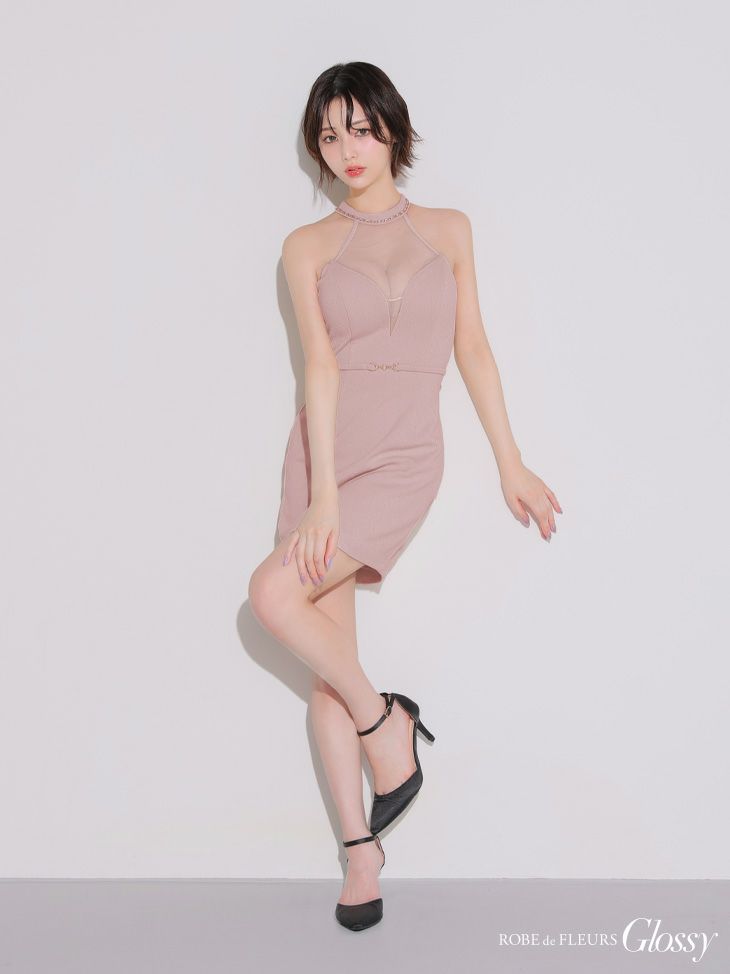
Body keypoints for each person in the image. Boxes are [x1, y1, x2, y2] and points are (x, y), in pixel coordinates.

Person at [248, 61, 562, 931]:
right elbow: (318, 367)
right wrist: (320, 498)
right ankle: (362, 849)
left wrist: (511, 463)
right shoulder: (306, 246)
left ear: (392, 126)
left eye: (360, 127)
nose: (346, 149)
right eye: (328, 135)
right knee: (323, 657)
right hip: (324, 458)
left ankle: (387, 728)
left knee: (274, 598)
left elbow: (474, 348)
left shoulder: (449, 230)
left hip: (404, 455)